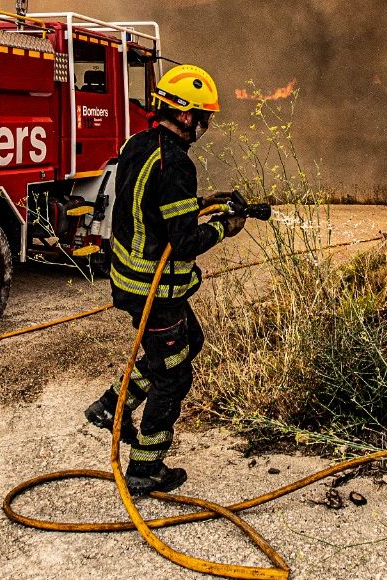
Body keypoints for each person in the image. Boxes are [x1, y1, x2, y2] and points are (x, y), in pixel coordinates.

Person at [84, 64, 243, 494]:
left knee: (191, 341)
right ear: (187, 116)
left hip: (129, 278)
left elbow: (155, 205)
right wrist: (224, 227)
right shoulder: (176, 163)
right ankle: (145, 469)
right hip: (155, 291)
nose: (206, 126)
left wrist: (202, 202)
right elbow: (185, 241)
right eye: (205, 117)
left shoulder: (139, 144)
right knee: (173, 377)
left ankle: (110, 407)